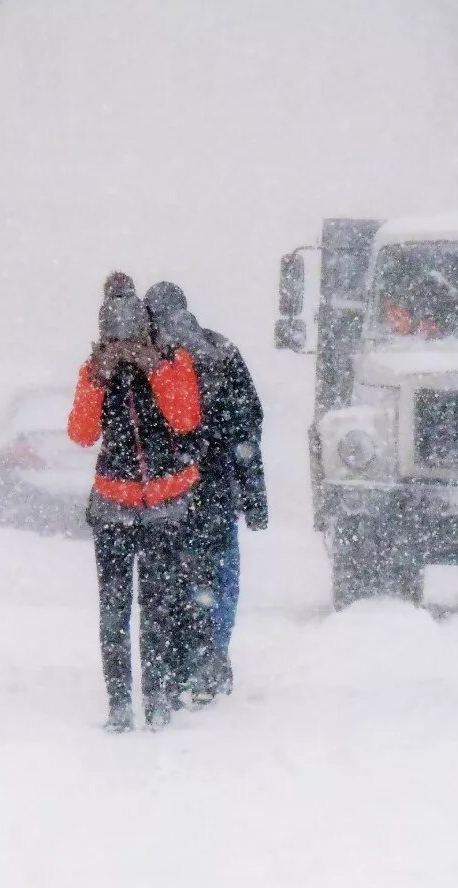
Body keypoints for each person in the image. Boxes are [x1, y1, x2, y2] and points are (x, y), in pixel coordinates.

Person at [68, 272, 204, 732]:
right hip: (112, 510)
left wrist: (156, 368)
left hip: (165, 511)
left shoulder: (172, 360)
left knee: (158, 608)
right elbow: (82, 434)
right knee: (114, 612)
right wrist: (97, 378)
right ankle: (120, 704)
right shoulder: (96, 371)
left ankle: (159, 697)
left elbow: (186, 420)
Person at [144, 281, 267, 704]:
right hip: (217, 488)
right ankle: (212, 655)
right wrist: (253, 499)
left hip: (166, 490)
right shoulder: (221, 349)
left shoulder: (150, 357)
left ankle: (174, 663)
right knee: (220, 575)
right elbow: (248, 425)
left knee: (172, 576)